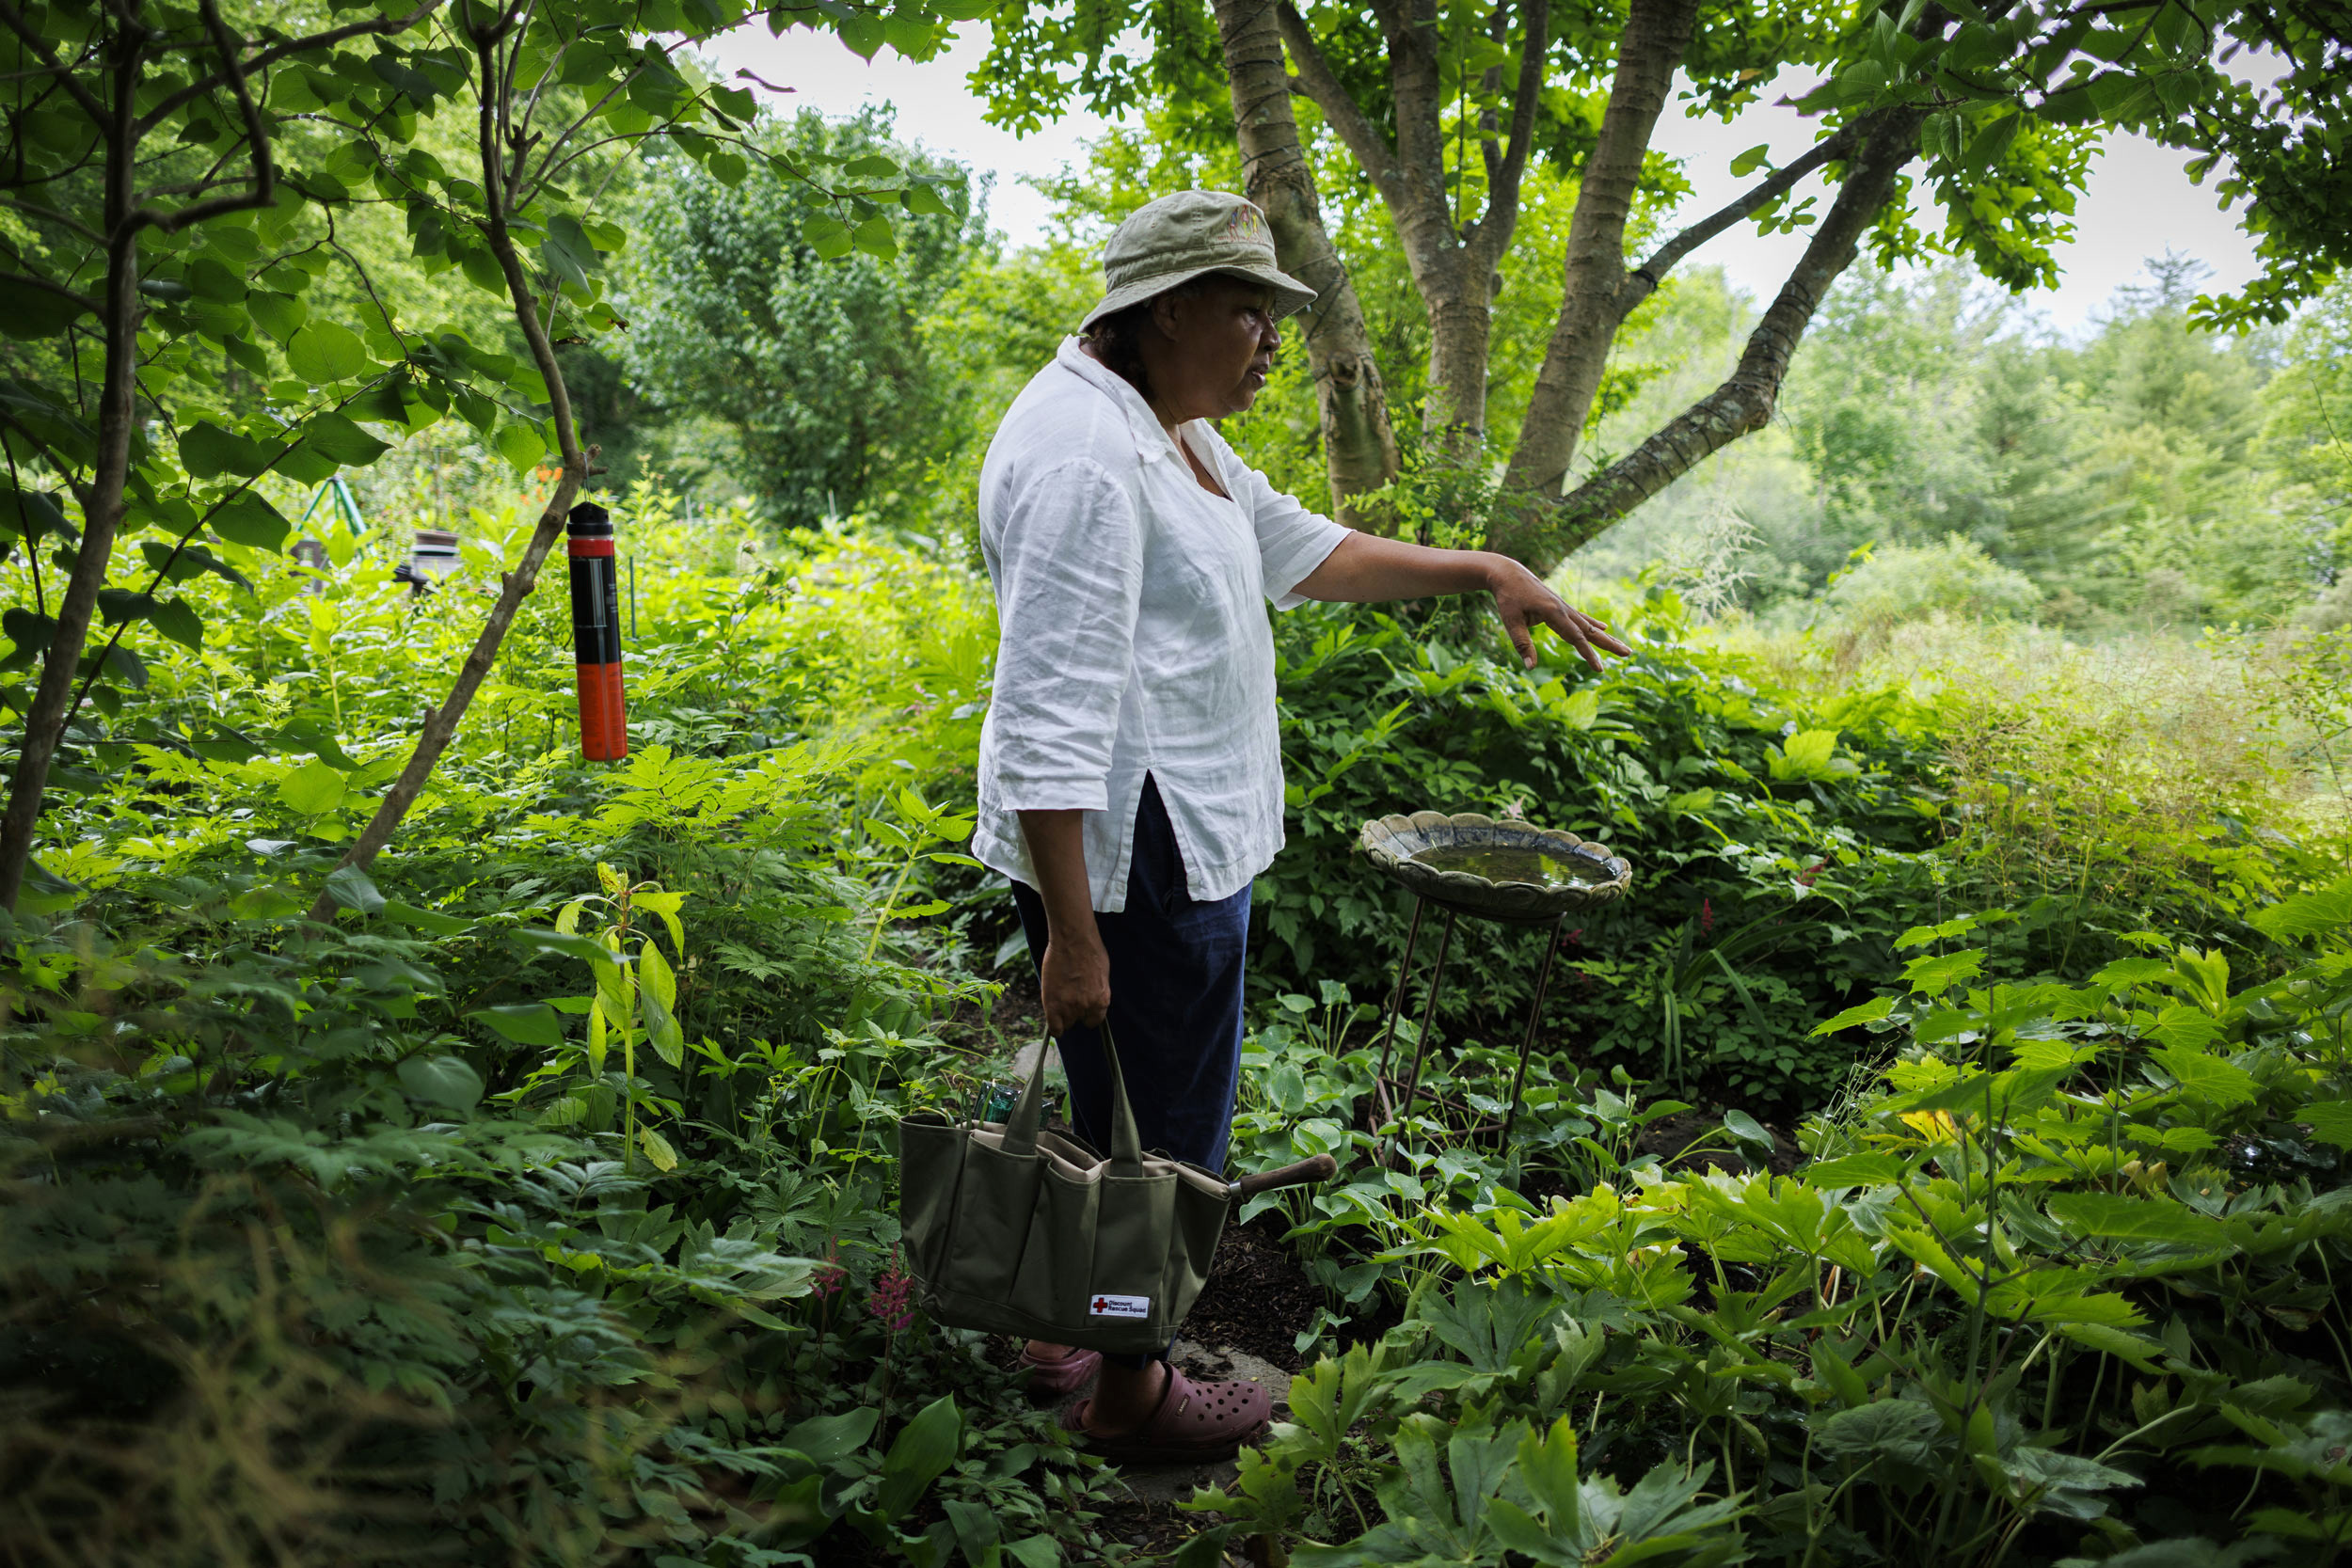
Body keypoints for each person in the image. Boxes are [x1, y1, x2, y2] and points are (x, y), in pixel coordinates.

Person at [973, 190, 1631, 1464]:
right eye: (1251, 312)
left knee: (1117, 1126)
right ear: (1165, 313)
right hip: (1132, 860)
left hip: (1165, 840)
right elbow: (1048, 713)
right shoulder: (1085, 458)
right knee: (1165, 1150)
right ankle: (1130, 1394)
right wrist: (1070, 933)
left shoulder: (1170, 430)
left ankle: (1072, 1327)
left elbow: (1304, 548)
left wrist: (1485, 569)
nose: (1275, 341)